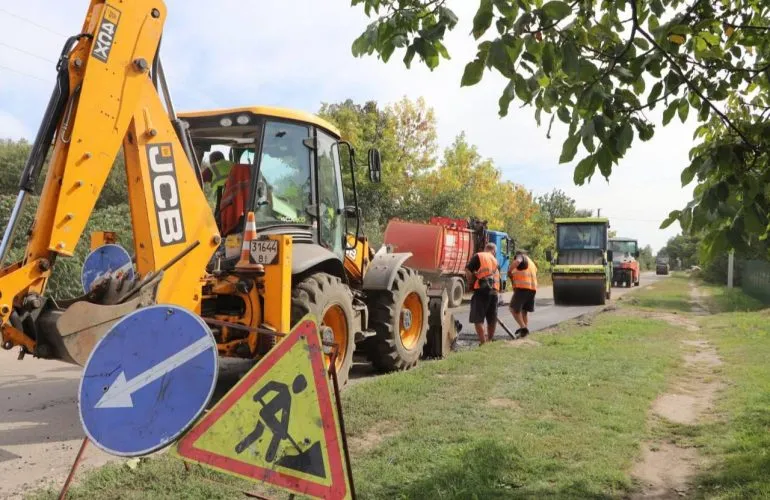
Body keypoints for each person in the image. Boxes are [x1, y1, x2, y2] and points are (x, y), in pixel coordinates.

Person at [465, 243, 501, 345]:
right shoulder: (495, 261)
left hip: (481, 291)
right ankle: (489, 340)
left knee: (478, 318)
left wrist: (471, 282)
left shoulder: (479, 256)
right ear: (494, 251)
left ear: (486, 249)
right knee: (492, 318)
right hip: (494, 292)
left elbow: (468, 269)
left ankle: (483, 342)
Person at [508, 250, 538, 337]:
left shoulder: (520, 256)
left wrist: (509, 271)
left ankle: (523, 328)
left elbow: (518, 261)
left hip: (523, 288)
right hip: (532, 289)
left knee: (513, 309)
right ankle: (524, 334)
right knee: (524, 311)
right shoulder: (531, 262)